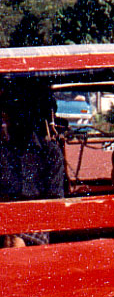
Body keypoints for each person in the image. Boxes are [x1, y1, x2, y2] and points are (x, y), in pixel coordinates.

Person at [0, 83, 67, 245]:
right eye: (11, 113)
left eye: (21, 113)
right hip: (4, 224)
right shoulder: (2, 152)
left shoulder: (50, 153)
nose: (16, 120)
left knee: (17, 246)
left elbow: (55, 201)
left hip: (37, 226)